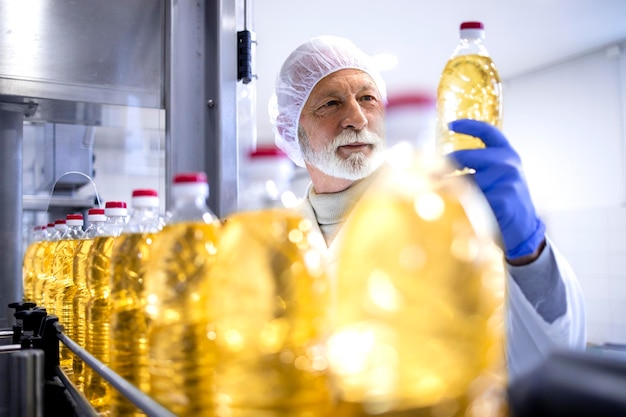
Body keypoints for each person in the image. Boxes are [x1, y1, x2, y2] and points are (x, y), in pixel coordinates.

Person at [268, 35, 587, 380]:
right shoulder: (274, 243)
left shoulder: (441, 213)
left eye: (368, 98)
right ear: (291, 130)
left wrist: (529, 256)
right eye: (330, 103)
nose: (357, 118)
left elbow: (548, 357)